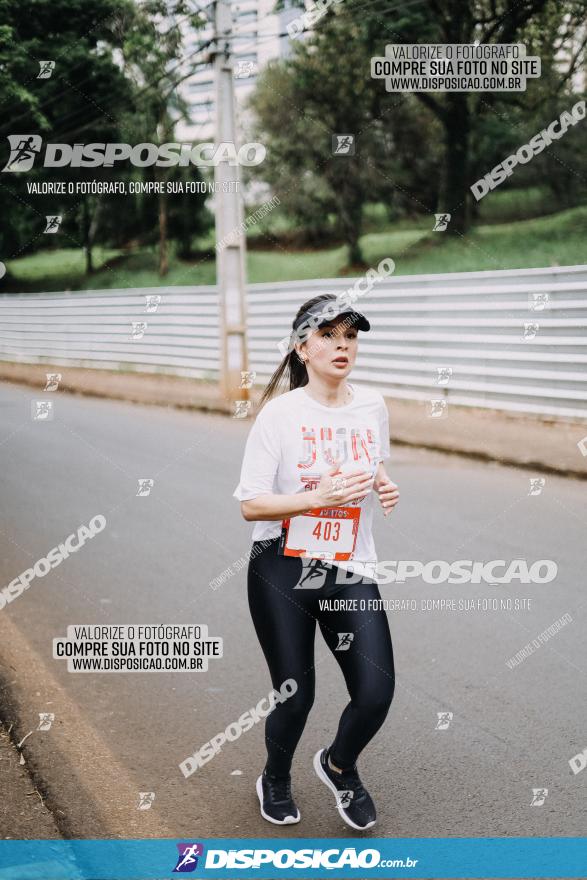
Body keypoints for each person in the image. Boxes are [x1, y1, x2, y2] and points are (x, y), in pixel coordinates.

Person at [233, 293, 400, 831]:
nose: (342, 345)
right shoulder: (280, 416)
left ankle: (338, 766)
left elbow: (371, 464)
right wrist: (316, 500)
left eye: (350, 336)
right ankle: (275, 778)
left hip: (349, 565)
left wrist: (384, 483)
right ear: (303, 347)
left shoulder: (372, 406)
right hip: (282, 565)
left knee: (375, 692)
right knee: (296, 694)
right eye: (328, 336)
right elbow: (251, 504)